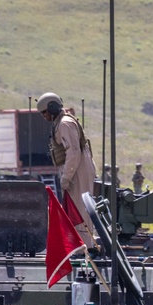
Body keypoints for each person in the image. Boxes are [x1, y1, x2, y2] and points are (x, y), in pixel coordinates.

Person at [37, 91, 98, 248]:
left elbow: (73, 153)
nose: (43, 116)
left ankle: (85, 248)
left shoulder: (65, 124)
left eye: (44, 112)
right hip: (75, 170)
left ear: (52, 108)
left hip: (78, 171)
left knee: (79, 211)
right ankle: (79, 246)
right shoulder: (61, 123)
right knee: (73, 210)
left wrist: (65, 179)